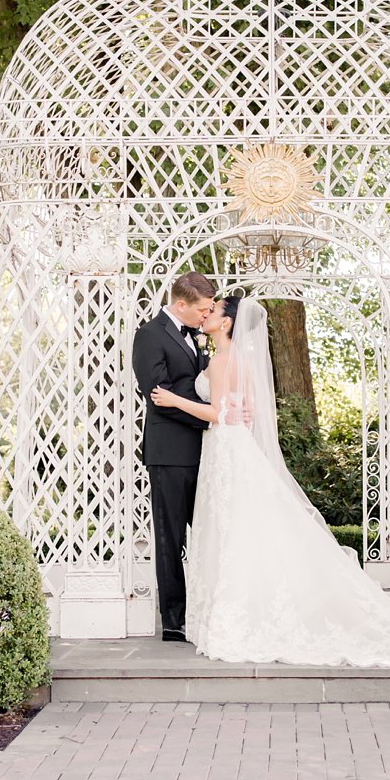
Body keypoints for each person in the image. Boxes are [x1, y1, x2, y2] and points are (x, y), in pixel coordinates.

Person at [151, 295, 390, 667]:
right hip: (231, 449)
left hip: (226, 449)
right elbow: (246, 410)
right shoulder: (234, 360)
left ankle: (238, 616)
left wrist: (174, 401)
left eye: (212, 311)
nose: (206, 314)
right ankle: (238, 611)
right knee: (242, 530)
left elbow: (218, 413)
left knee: (234, 531)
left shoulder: (223, 361)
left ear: (226, 324)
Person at [131, 272, 216, 643]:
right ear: (181, 304)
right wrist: (208, 413)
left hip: (207, 452)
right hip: (169, 451)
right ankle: (173, 619)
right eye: (201, 309)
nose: (205, 315)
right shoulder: (149, 335)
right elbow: (157, 393)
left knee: (211, 533)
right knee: (170, 536)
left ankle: (205, 607)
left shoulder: (196, 336)